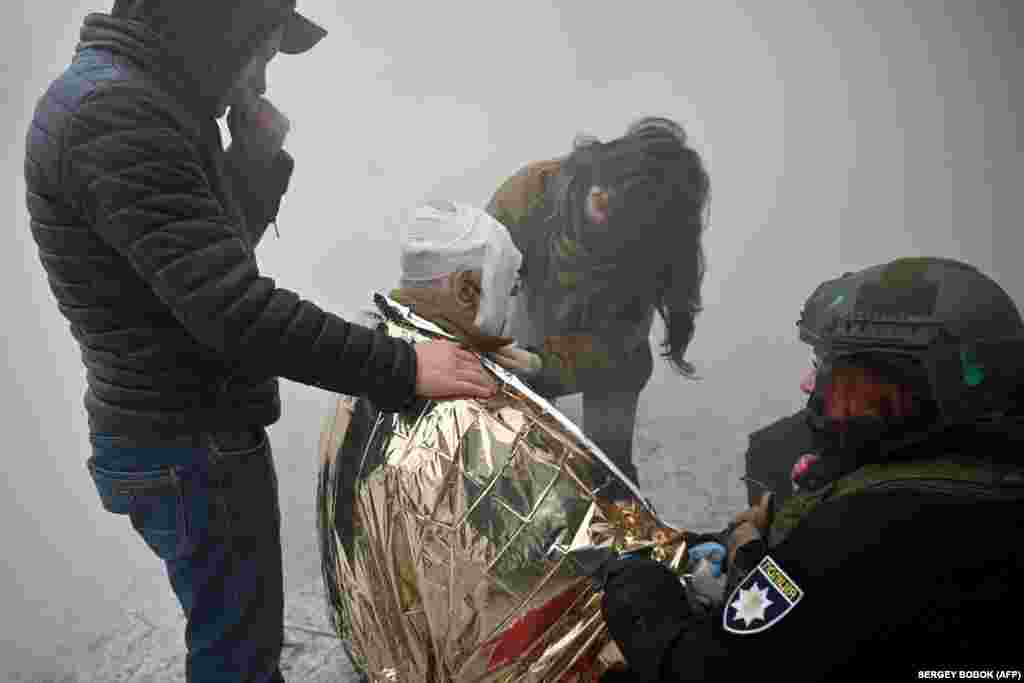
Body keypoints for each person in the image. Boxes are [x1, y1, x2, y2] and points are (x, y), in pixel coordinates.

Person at [23, 2, 495, 681]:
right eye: (263, 54)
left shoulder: (136, 97)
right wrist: (403, 365)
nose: (264, 81)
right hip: (188, 446)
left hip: (175, 432)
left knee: (238, 644)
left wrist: (250, 159)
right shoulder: (118, 118)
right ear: (221, 30)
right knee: (237, 662)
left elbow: (200, 264)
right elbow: (233, 310)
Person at [597, 257, 1024, 681]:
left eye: (834, 374)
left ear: (909, 393)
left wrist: (640, 594)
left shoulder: (871, 529)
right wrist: (761, 543)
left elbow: (709, 670)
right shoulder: (983, 484)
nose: (809, 386)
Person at [486, 116, 711, 491]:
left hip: (611, 359)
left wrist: (543, 363)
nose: (599, 206)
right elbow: (473, 279)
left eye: (616, 212)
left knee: (609, 470)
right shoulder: (532, 190)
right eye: (603, 194)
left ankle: (625, 539)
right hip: (527, 331)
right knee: (520, 460)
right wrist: (504, 355)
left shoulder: (646, 255)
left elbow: (615, 348)